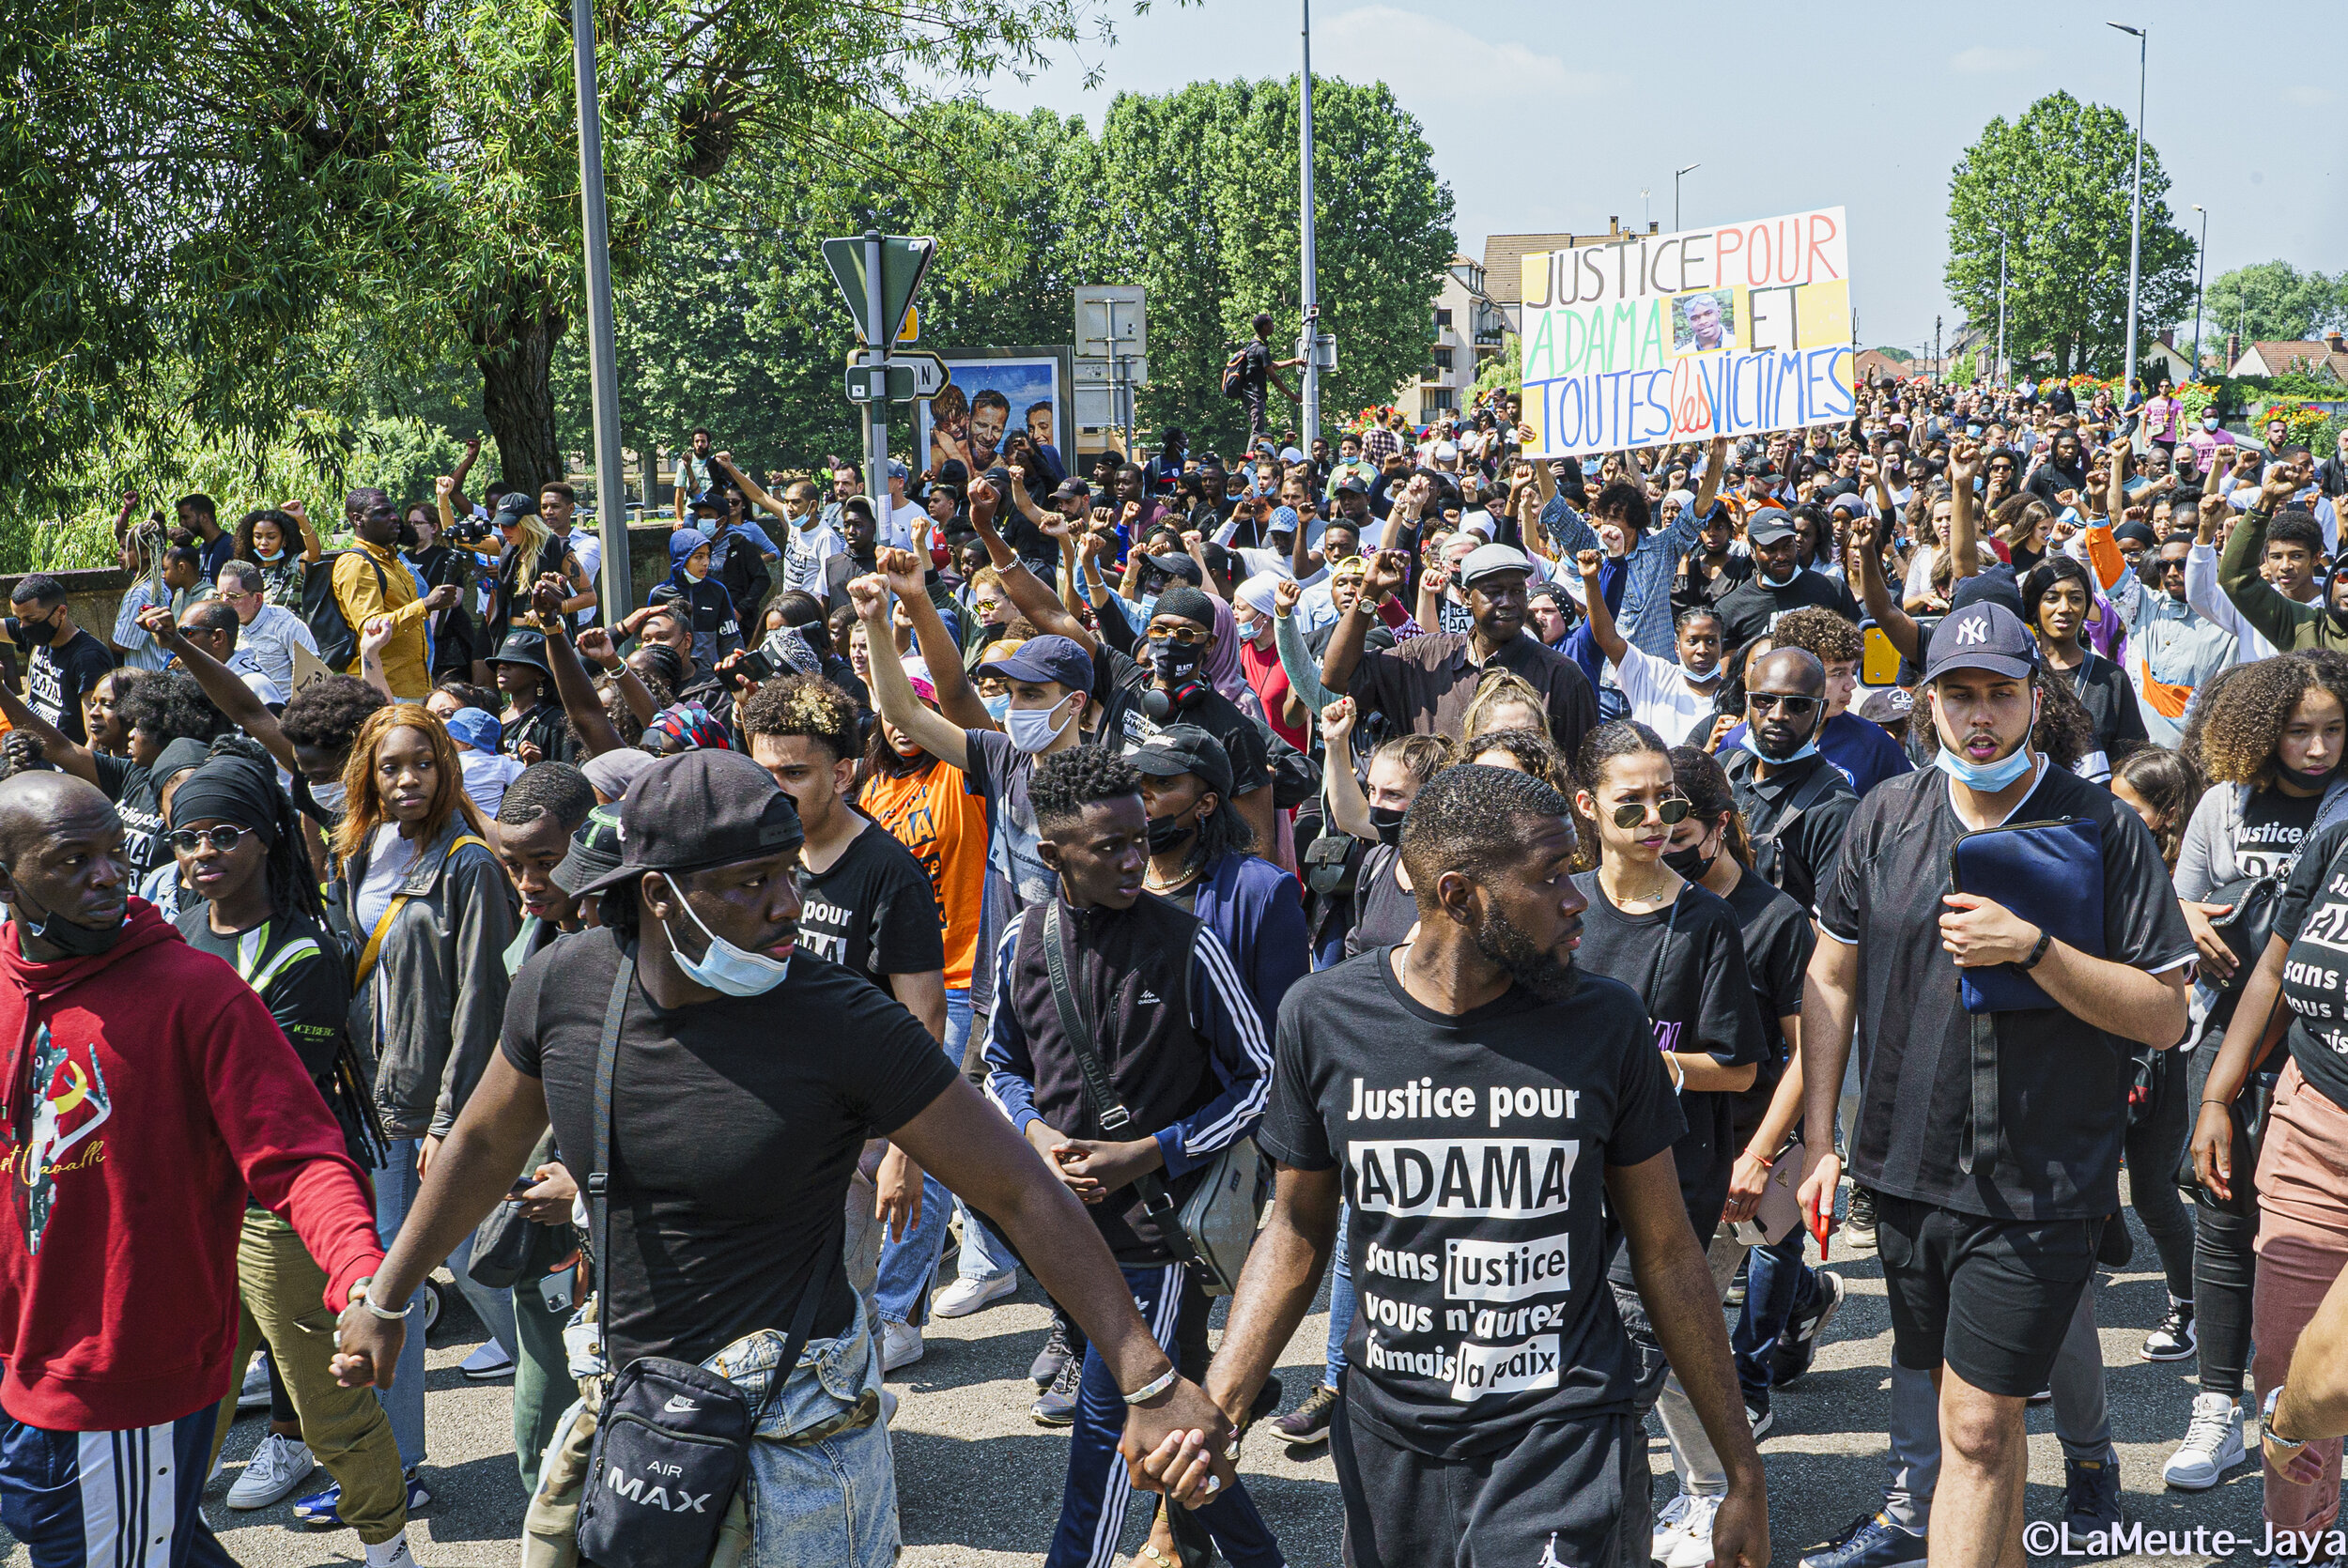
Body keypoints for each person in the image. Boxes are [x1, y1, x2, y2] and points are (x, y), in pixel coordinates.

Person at [331, 749, 1242, 1568]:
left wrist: (1149, 1379)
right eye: (751, 880)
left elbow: (1020, 1188)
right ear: (659, 893)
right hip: (634, 1419)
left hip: (801, 1448)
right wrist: (387, 1295)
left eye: (789, 874)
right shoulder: (562, 985)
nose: (786, 905)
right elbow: (486, 1142)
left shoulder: (844, 1020)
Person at [1170, 762, 1768, 1568]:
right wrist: (1223, 1411)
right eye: (1552, 876)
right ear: (1458, 897)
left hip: (1565, 1426)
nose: (1576, 898)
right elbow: (1298, 1229)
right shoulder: (1323, 1017)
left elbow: (1665, 1253)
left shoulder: (1605, 1022)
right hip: (1388, 1440)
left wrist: (1742, 1472)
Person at [1797, 602, 2192, 1568]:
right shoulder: (1882, 814)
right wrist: (1819, 1140)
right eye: (1958, 694)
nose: (1979, 716)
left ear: (2033, 696)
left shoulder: (2100, 825)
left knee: (1973, 1427)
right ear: (1927, 701)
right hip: (1902, 1164)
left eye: (2000, 695)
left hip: (2041, 1175)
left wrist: (2038, 950)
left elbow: (2164, 1013)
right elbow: (1828, 976)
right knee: (1979, 1420)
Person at [0, 768, 393, 1568]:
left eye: (115, 852)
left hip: (124, 1385)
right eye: (73, 860)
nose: (107, 875)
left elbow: (302, 1156)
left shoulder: (196, 993)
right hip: (15, 1368)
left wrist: (360, 1274)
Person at [981, 745, 1283, 1568]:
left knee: (1110, 1441)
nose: (1131, 860)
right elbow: (1001, 1065)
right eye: (1106, 847)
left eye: (1137, 840)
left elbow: (1262, 1082)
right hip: (1059, 1238)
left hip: (1159, 1240)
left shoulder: (1189, 944)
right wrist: (1036, 1137)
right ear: (1051, 856)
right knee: (1183, 1435)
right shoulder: (1021, 942)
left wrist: (1149, 1152)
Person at [167, 738, 408, 1538]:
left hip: (278, 1210)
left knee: (326, 1402)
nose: (204, 851)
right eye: (188, 836)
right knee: (191, 1391)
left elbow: (259, 1100)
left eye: (223, 834)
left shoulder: (305, 951)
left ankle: (385, 1543)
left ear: (265, 837)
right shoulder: (176, 932)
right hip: (200, 1204)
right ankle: (157, 1530)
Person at [1570, 723, 1766, 1568]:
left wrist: (1645, 1064)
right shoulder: (1563, 904)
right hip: (1569, 1193)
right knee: (1581, 1393)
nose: (1654, 820)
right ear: (1586, 808)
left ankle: (1623, 1535)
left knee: (1619, 1393)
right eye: (1632, 805)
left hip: (1668, 1198)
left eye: (1669, 803)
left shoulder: (1707, 923)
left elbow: (1737, 1066)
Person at [318, 703, 517, 1518]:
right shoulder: (354, 851)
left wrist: (449, 1120)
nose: (408, 780)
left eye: (423, 765)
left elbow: (483, 999)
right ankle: (572, 1351)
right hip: (365, 1094)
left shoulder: (468, 863)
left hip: (427, 1103)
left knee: (388, 1272)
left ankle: (394, 1471)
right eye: (392, 766)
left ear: (446, 770)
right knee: (470, 1250)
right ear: (368, 773)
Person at [2162, 654, 2348, 1492]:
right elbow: (2174, 901)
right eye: (2298, 730)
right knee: (2225, 1227)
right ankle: (2217, 1410)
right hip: (2229, 1034)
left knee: (2307, 1254)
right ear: (2259, 730)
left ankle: (2319, 1407)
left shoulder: (2345, 811)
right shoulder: (2221, 804)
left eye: (2333, 730)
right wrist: (2185, 912)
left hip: (2313, 1044)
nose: (2316, 748)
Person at [734, 672, 951, 1372]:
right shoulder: (755, 857)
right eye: (764, 771)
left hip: (860, 1140)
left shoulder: (888, 872)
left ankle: (857, 1466)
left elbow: (925, 1014)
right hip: (772, 1124)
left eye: (795, 772)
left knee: (843, 1317)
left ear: (844, 771)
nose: (777, 788)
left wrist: (906, 1153)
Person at [1667, 746, 1832, 1438]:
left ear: (1718, 827)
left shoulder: (1776, 922)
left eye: (1679, 840)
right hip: (1664, 1147)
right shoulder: (1654, 905)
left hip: (1746, 1140)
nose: (1661, 851)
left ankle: (1744, 1396)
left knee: (1692, 1311)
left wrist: (1763, 1154)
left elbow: (1809, 1052)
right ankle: (1809, 1297)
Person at [1322, 544, 1597, 757]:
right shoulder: (1425, 658)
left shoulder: (1561, 677)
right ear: (1466, 597)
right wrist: (1368, 594)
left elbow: (1577, 774)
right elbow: (1337, 678)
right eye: (1493, 592)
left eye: (1516, 591)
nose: (1507, 602)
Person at [1708, 609, 1911, 798]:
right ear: (1800, 673)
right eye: (1838, 673)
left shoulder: (1874, 745)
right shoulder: (1738, 742)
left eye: (1852, 671)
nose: (1850, 685)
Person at [1720, 647, 1858, 918]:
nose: (1778, 714)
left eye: (1798, 704)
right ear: (1748, 701)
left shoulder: (1834, 809)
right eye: (1765, 700)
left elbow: (1831, 932)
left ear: (1821, 710)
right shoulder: (1725, 768)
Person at [1575, 548, 1722, 746]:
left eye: (1711, 641)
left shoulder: (1730, 696)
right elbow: (1607, 639)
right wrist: (1591, 581)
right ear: (1676, 648)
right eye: (1693, 641)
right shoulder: (1653, 675)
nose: (1702, 650)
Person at [2022, 556, 2146, 779]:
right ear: (2034, 606)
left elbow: (2132, 762)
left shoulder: (2111, 678)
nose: (2064, 608)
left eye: (2075, 598)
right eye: (2051, 598)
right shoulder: (2021, 672)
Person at [334, 490, 457, 700]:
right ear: (358, 520)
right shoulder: (357, 564)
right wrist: (426, 605)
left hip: (414, 687)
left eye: (393, 511)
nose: (394, 518)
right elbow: (372, 630)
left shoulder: (393, 561)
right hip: (384, 690)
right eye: (382, 512)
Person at [1, 575, 117, 746]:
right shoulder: (32, 632)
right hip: (34, 750)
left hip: (64, 760)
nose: (23, 627)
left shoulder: (88, 658)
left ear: (61, 612)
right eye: (18, 620)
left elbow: (95, 737)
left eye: (31, 620)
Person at [647, 528, 745, 671]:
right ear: (682, 558)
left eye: (707, 556)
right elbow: (651, 641)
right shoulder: (659, 594)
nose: (706, 562)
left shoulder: (718, 591)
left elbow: (731, 640)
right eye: (698, 557)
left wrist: (734, 670)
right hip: (672, 675)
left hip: (709, 676)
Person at [217, 560, 321, 693]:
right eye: (220, 596)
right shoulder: (221, 629)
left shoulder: (285, 624)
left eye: (233, 596)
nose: (224, 603)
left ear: (257, 599)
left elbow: (312, 677)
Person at [1234, 312, 1302, 443]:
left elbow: (1270, 366)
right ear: (1265, 327)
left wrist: (1294, 361)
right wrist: (1292, 396)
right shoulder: (1261, 349)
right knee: (1257, 433)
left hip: (1248, 394)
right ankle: (1249, 462)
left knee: (1258, 431)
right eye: (1271, 323)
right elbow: (1274, 378)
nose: (1273, 325)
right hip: (1255, 395)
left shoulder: (1253, 346)